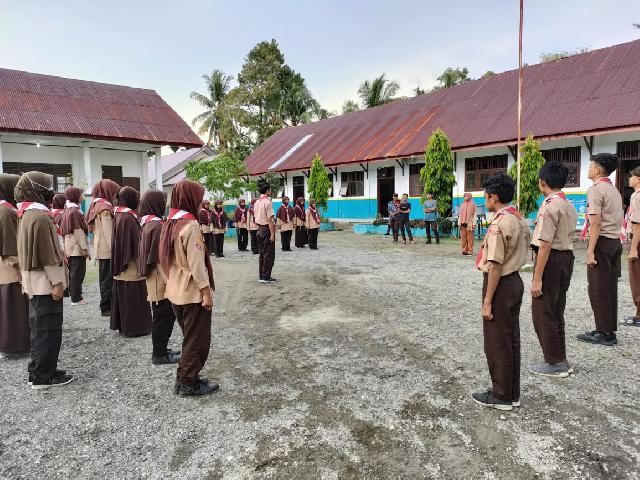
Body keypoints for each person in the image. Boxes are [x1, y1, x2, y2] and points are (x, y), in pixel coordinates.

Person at [473, 173, 530, 411]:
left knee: (497, 341)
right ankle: (511, 392)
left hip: (501, 283)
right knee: (510, 339)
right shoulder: (518, 218)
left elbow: (495, 264)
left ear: (494, 197)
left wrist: (487, 301)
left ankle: (501, 395)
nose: (484, 200)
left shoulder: (499, 223)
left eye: (485, 196)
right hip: (514, 280)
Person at [15, 171, 73, 389]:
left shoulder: (26, 213)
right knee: (48, 331)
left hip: (34, 281)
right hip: (45, 283)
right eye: (47, 187)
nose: (51, 191)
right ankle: (44, 376)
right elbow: (48, 254)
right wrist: (57, 283)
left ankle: (38, 369)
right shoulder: (39, 216)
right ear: (38, 190)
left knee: (38, 329)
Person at [160, 179, 217, 396]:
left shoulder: (170, 223)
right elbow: (197, 265)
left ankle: (183, 378)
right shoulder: (190, 226)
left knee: (190, 337)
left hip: (175, 288)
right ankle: (188, 383)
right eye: (199, 198)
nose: (201, 202)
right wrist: (206, 292)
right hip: (192, 291)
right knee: (197, 339)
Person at [529, 162, 578, 378]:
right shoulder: (568, 204)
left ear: (542, 182)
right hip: (566, 258)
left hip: (551, 259)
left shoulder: (549, 206)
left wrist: (537, 278)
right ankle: (561, 358)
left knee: (543, 311)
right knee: (556, 311)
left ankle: (554, 361)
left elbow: (545, 244)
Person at [577, 153, 623, 346]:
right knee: (609, 287)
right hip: (615, 242)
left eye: (590, 166)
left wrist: (590, 251)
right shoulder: (614, 190)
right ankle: (607, 329)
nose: (588, 170)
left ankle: (604, 332)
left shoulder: (596, 189)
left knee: (598, 288)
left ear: (597, 169)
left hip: (602, 243)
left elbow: (595, 223)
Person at [138, 189, 181, 365]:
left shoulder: (148, 223)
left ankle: (162, 349)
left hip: (156, 278)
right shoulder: (156, 227)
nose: (165, 205)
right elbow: (159, 260)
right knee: (163, 317)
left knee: (163, 316)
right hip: (159, 280)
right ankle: (159, 354)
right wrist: (171, 282)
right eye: (163, 202)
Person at [110, 187, 152, 337]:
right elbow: (134, 245)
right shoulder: (127, 218)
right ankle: (134, 328)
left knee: (127, 297)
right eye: (136, 198)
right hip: (130, 266)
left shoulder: (120, 214)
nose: (138, 201)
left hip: (123, 264)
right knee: (132, 297)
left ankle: (126, 327)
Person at [0, 174, 30, 358]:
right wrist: (21, 271)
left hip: (4, 268)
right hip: (10, 269)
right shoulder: (6, 211)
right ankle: (14, 346)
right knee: (13, 310)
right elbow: (11, 247)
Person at [86, 179, 120, 317]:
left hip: (101, 247)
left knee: (104, 277)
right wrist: (116, 250)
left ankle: (107, 305)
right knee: (107, 279)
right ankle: (106, 307)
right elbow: (108, 232)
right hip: (107, 249)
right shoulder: (105, 208)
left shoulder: (97, 204)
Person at [60, 186, 89, 306]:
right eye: (81, 194)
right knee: (78, 273)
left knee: (74, 272)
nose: (82, 197)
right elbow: (78, 232)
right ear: (75, 196)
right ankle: (76, 298)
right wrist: (84, 248)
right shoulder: (74, 211)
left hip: (70, 246)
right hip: (76, 247)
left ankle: (75, 296)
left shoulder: (67, 209)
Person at [625, 166, 640, 327]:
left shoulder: (637, 196)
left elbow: (637, 225)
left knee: (636, 278)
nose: (629, 179)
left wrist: (634, 248)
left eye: (632, 176)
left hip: (638, 240)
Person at [254, 182, 277, 283]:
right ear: (267, 190)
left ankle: (262, 275)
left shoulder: (256, 202)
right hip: (266, 229)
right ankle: (266, 276)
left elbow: (255, 216)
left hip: (259, 229)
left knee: (262, 253)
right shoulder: (267, 202)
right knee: (269, 254)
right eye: (270, 189)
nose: (271, 191)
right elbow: (270, 219)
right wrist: (272, 234)